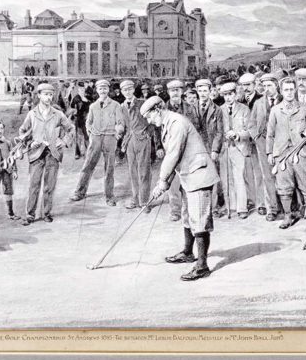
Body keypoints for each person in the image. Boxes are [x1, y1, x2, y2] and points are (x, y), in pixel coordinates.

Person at [144, 96, 220, 281]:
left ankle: (202, 266)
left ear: (159, 109)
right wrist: (164, 183)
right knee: (187, 215)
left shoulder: (177, 123)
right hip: (188, 175)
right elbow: (175, 158)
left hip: (199, 175)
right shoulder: (167, 122)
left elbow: (173, 154)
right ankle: (187, 252)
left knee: (199, 219)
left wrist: (162, 181)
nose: (149, 120)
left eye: (149, 116)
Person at [19, 83, 75, 224]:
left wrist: (63, 141)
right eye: (45, 94)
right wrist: (30, 143)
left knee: (49, 185)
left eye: (50, 94)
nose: (48, 97)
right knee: (34, 185)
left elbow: (71, 129)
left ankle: (46, 213)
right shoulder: (32, 114)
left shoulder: (58, 114)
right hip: (36, 154)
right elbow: (22, 132)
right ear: (38, 95)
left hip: (53, 154)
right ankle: (30, 214)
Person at [266, 77, 306, 229]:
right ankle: (288, 215)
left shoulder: (304, 108)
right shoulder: (275, 110)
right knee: (284, 186)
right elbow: (270, 134)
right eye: (286, 89)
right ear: (281, 91)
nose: (289, 93)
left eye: (292, 89)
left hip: (301, 152)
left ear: (296, 90)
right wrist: (270, 153)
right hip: (282, 154)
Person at [70, 80, 124, 207]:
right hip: (96, 138)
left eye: (105, 88)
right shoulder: (93, 106)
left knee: (109, 168)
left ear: (108, 90)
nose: (103, 91)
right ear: (97, 90)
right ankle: (80, 192)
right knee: (88, 165)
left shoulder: (115, 105)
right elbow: (88, 122)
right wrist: (91, 134)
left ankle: (109, 196)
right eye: (100, 89)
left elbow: (120, 123)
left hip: (110, 138)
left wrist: (118, 133)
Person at [249, 73, 282, 220]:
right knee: (267, 176)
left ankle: (289, 207)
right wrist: (256, 137)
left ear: (276, 86)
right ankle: (272, 209)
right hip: (263, 144)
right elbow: (251, 124)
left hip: (281, 144)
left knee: (284, 175)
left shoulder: (283, 100)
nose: (267, 89)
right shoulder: (258, 103)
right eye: (264, 86)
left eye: (270, 85)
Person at [218, 82, 253, 219]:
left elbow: (249, 130)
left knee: (239, 177)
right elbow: (217, 129)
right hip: (225, 148)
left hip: (239, 147)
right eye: (225, 95)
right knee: (227, 178)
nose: (228, 98)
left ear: (235, 94)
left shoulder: (244, 109)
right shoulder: (219, 110)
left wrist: (237, 135)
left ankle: (242, 208)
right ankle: (230, 206)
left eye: (230, 94)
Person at [119, 80, 155, 211]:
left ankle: (144, 201)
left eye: (130, 89)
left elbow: (153, 120)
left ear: (133, 90)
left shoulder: (142, 103)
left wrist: (148, 134)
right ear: (122, 92)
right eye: (124, 90)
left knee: (144, 171)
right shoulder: (121, 106)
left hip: (142, 140)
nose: (127, 92)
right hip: (129, 141)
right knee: (132, 171)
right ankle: (135, 198)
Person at [195, 79, 225, 215]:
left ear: (210, 91)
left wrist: (215, 150)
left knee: (213, 178)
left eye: (205, 91)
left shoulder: (217, 110)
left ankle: (213, 208)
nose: (202, 94)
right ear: (197, 91)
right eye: (200, 91)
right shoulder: (191, 108)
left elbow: (219, 132)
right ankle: (200, 207)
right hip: (196, 149)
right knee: (198, 177)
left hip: (211, 147)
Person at [238, 73, 262, 213]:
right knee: (247, 173)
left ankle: (261, 204)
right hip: (245, 142)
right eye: (243, 85)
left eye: (248, 85)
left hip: (258, 141)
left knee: (259, 174)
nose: (245, 88)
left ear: (254, 84)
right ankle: (252, 200)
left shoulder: (261, 100)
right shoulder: (239, 101)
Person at [69, 81, 91, 159]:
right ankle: (77, 153)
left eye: (83, 89)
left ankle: (87, 153)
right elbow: (72, 107)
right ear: (78, 90)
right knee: (78, 137)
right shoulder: (76, 98)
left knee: (87, 136)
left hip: (86, 120)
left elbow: (90, 107)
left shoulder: (87, 97)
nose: (82, 91)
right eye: (80, 90)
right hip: (78, 120)